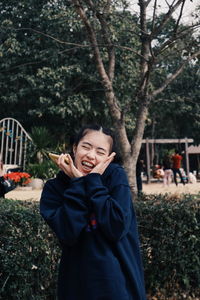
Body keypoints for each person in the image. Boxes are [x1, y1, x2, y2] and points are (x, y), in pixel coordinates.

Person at [40, 124, 146, 300]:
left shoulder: (115, 177)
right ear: (75, 148)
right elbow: (67, 232)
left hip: (119, 286)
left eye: (100, 152)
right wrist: (78, 184)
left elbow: (116, 228)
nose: (91, 155)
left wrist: (93, 182)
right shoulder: (55, 188)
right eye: (86, 147)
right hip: (76, 286)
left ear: (109, 158)